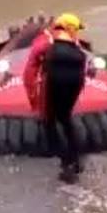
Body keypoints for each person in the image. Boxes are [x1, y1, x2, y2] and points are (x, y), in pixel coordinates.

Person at [23, 13, 88, 184]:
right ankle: (76, 159)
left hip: (53, 82)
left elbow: (29, 71)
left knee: (48, 120)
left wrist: (33, 100)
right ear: (69, 27)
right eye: (77, 29)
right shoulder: (76, 44)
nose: (78, 32)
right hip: (75, 83)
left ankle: (66, 164)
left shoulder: (44, 40)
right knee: (65, 118)